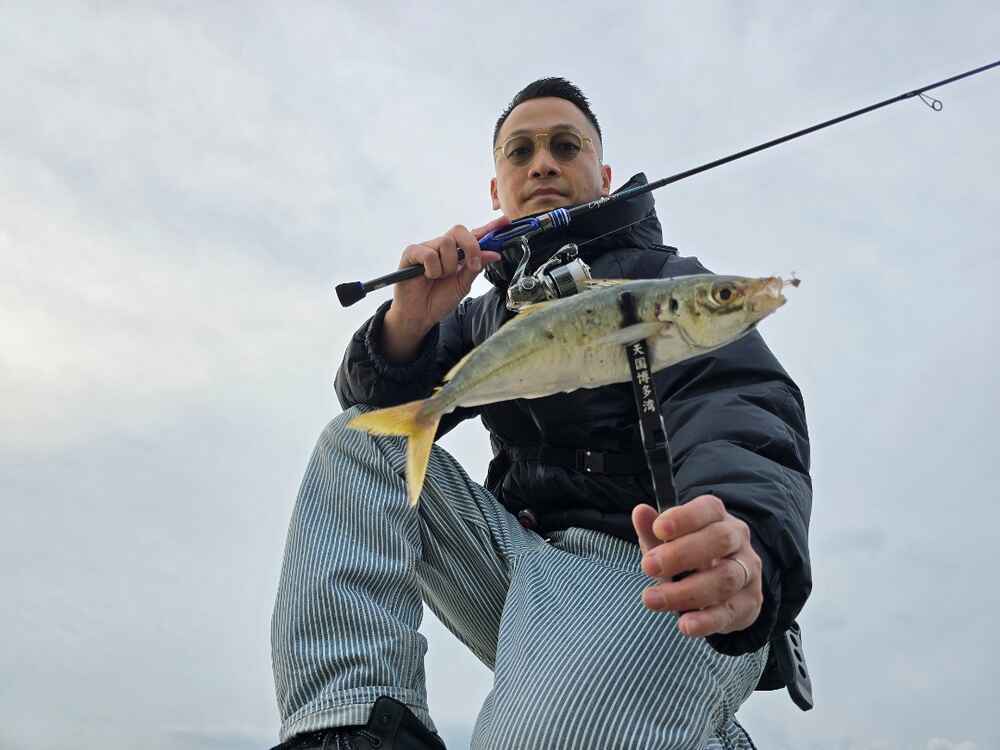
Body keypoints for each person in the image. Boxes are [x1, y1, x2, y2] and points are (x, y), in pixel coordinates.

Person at [270, 78, 812, 750]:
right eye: (520, 152)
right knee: (356, 440)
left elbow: (740, 412)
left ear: (604, 177)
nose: (543, 164)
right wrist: (407, 324)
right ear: (496, 189)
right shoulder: (483, 314)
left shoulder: (666, 285)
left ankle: (672, 716)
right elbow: (377, 408)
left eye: (565, 146)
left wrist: (745, 536)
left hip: (655, 572)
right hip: (518, 565)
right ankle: (351, 731)